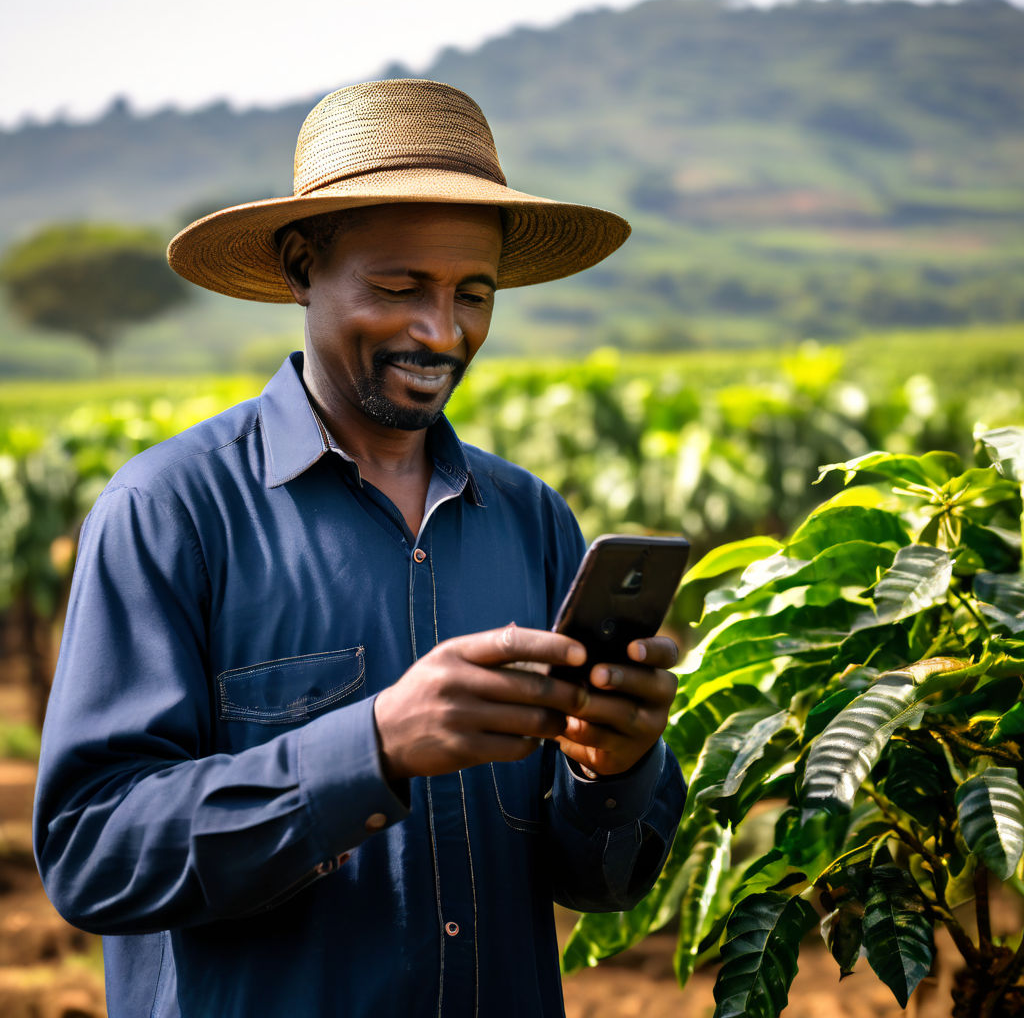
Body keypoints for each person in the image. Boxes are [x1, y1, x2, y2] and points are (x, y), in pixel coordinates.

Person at [34, 80, 685, 1018]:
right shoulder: (171, 512)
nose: (442, 331)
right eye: (398, 287)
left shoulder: (532, 520)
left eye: (473, 294)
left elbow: (600, 884)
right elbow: (94, 856)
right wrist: (372, 748)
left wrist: (612, 766)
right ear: (302, 268)